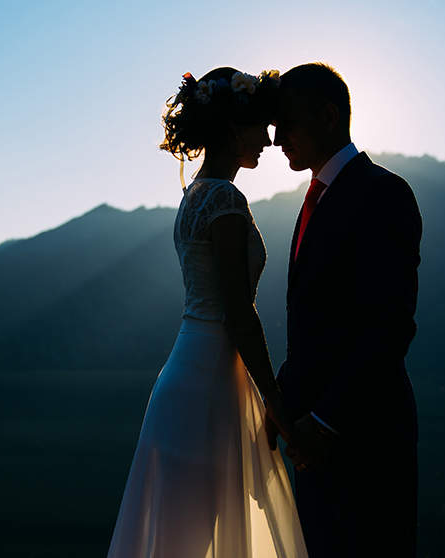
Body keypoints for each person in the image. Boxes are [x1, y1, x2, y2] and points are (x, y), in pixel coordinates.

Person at [106, 67, 308, 558]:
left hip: (186, 371)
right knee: (194, 537)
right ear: (233, 130)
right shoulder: (224, 199)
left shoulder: (193, 195)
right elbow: (239, 313)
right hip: (210, 386)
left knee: (183, 537)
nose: (267, 138)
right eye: (259, 125)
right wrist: (276, 402)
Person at [266, 62, 423, 556]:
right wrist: (283, 408)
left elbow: (389, 325)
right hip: (314, 447)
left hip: (368, 443)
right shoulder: (313, 199)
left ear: (329, 116)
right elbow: (312, 327)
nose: (275, 138)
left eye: (286, 122)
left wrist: (326, 421)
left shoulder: (384, 193)